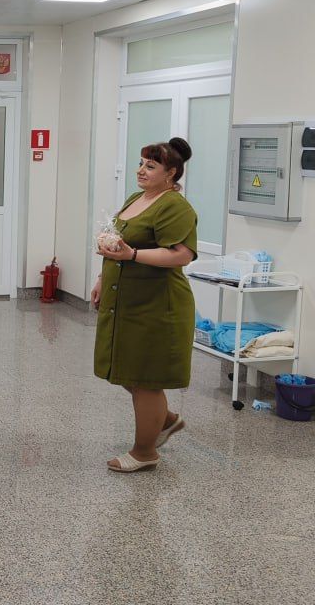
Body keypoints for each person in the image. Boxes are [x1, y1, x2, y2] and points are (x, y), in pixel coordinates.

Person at [91, 137, 198, 473]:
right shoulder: (136, 199)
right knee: (126, 369)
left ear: (171, 173)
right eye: (141, 163)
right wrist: (102, 277)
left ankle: (144, 452)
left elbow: (182, 255)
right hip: (126, 302)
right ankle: (164, 419)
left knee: (145, 380)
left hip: (157, 306)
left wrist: (133, 255)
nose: (141, 170)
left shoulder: (175, 207)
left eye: (151, 166)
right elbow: (119, 243)